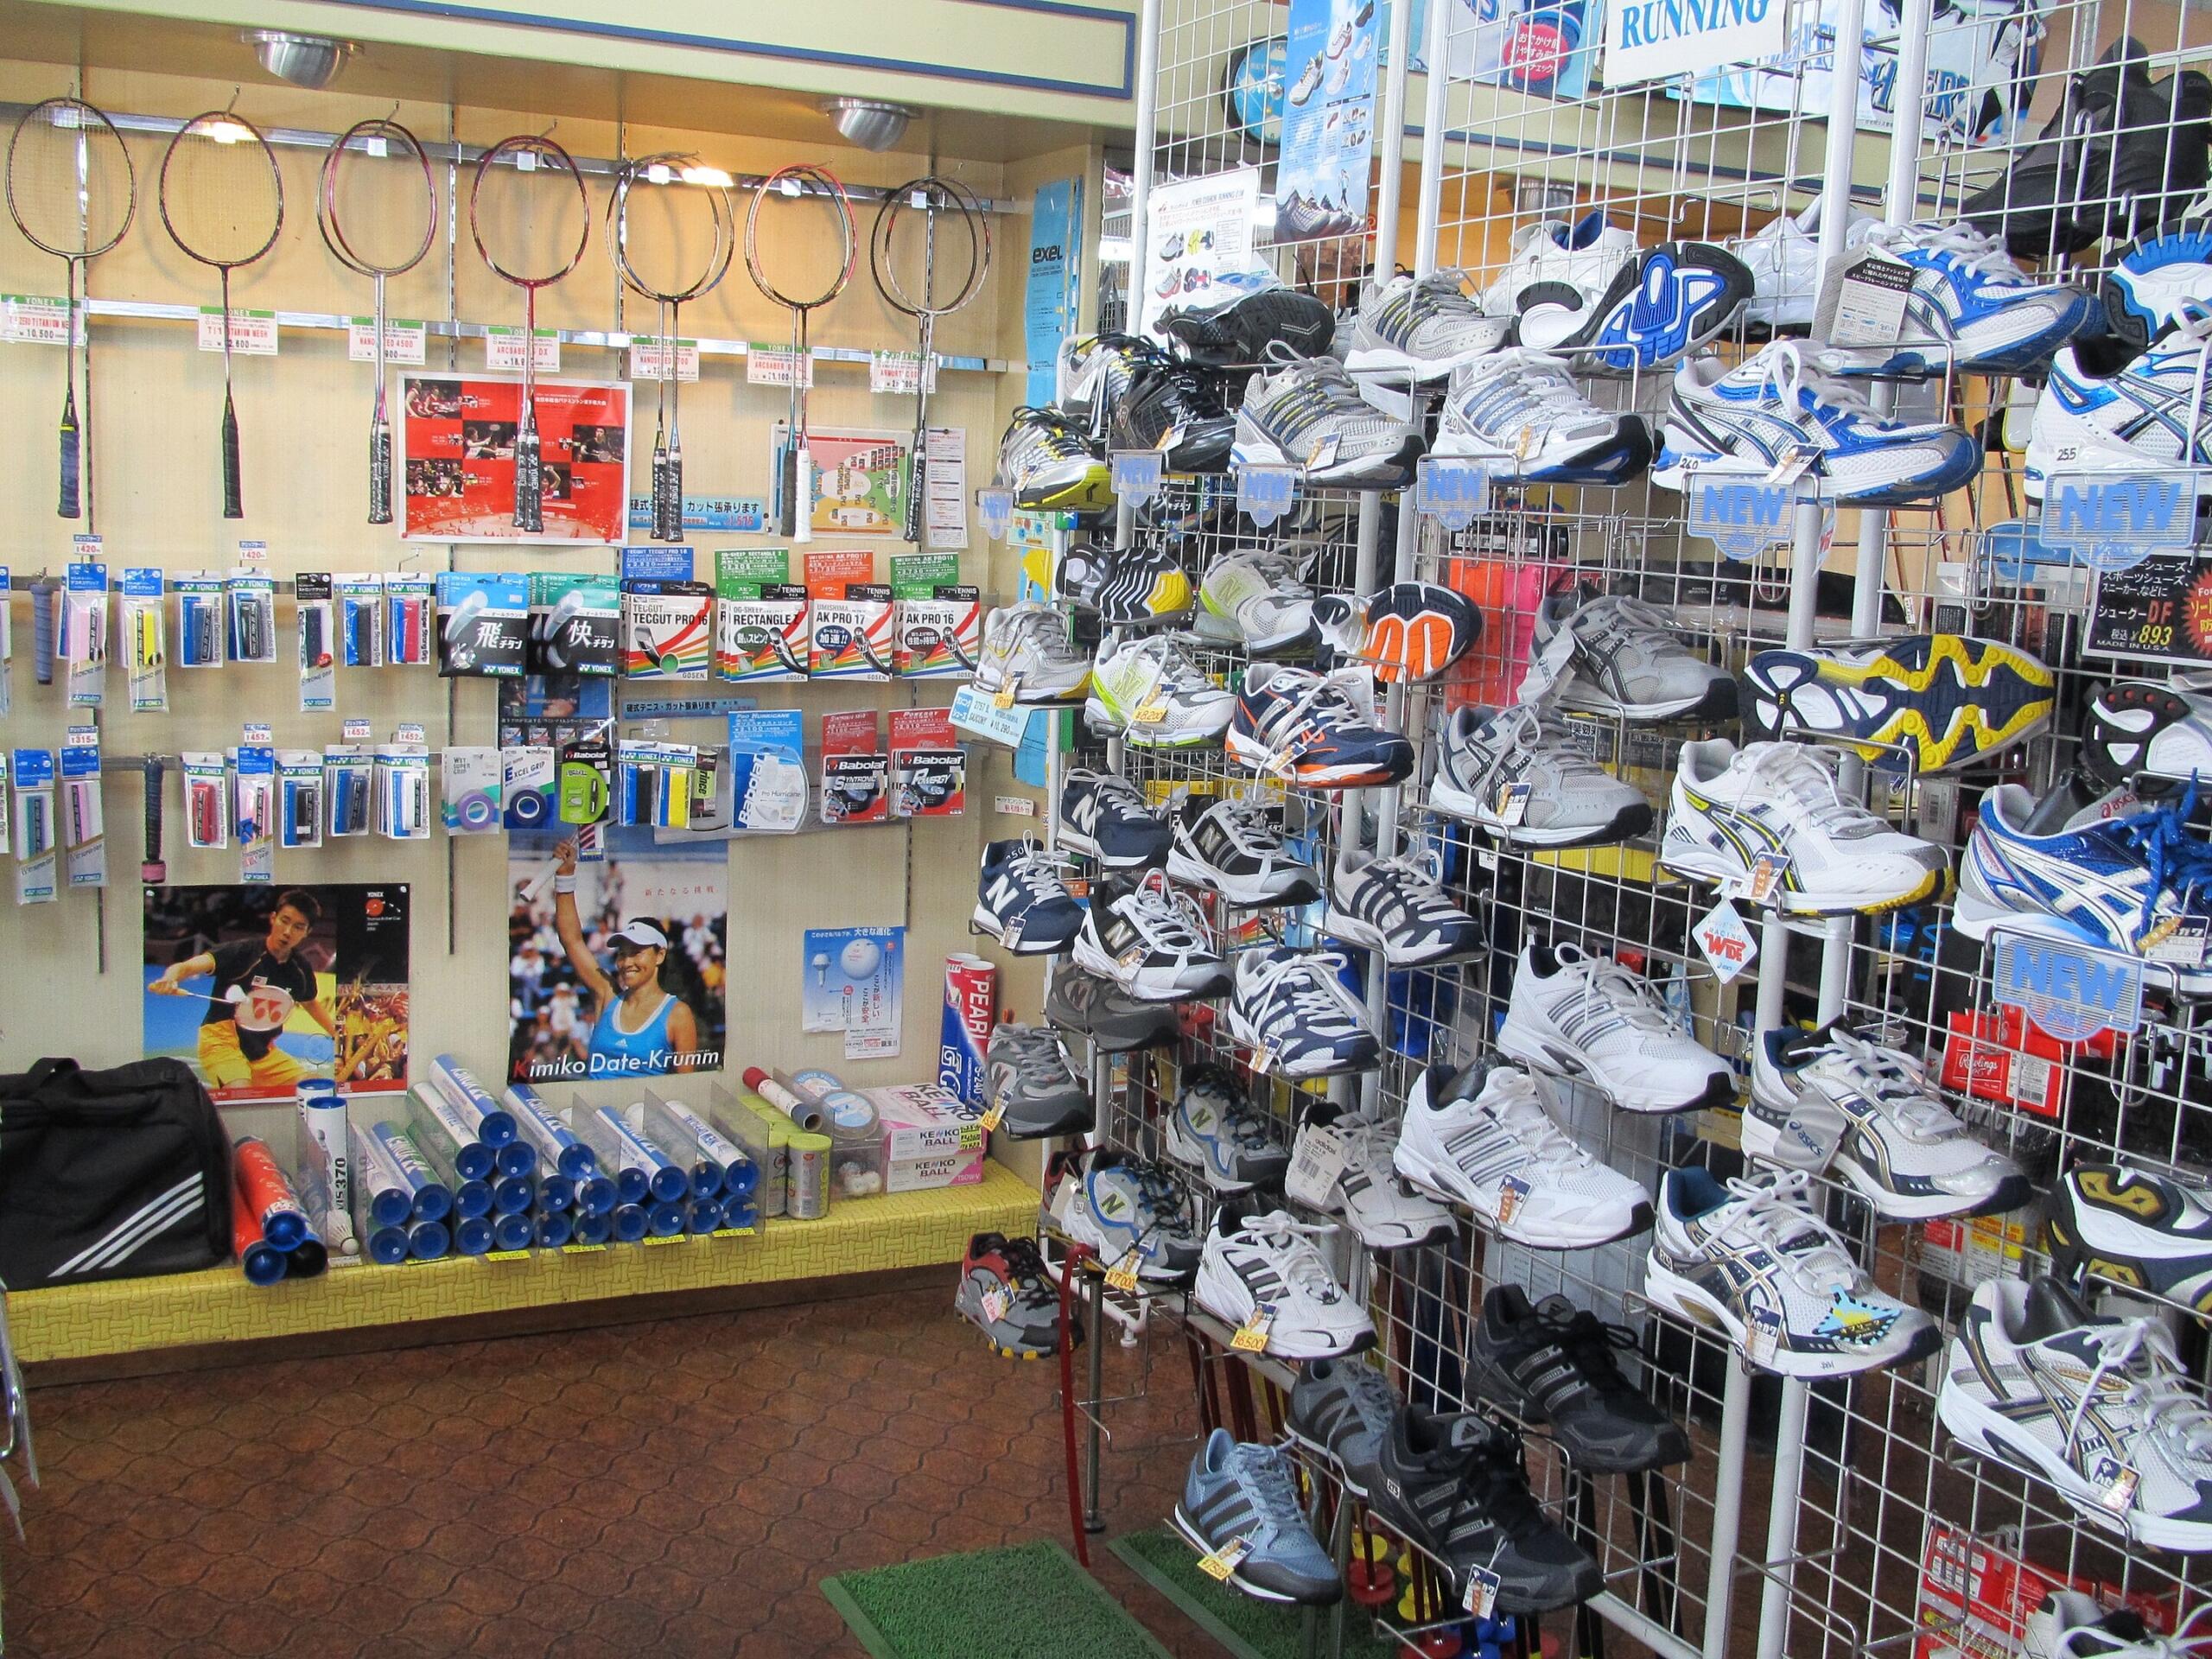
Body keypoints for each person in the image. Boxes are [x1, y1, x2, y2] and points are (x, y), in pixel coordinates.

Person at [149, 889, 338, 1092]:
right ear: (273, 918)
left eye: (298, 927)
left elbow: (310, 1003)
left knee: (314, 1088)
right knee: (242, 1094)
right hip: (222, 1041)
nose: (288, 931)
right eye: (284, 921)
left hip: (262, 1050)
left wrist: (340, 1036)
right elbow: (188, 967)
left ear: (307, 932)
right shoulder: (242, 952)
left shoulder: (299, 969)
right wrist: (170, 978)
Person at [547, 839, 697, 1076]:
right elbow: (572, 940)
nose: (627, 962)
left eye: (636, 953)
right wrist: (565, 875)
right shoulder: (607, 995)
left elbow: (685, 1087)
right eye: (622, 954)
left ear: (659, 955)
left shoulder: (678, 1014)